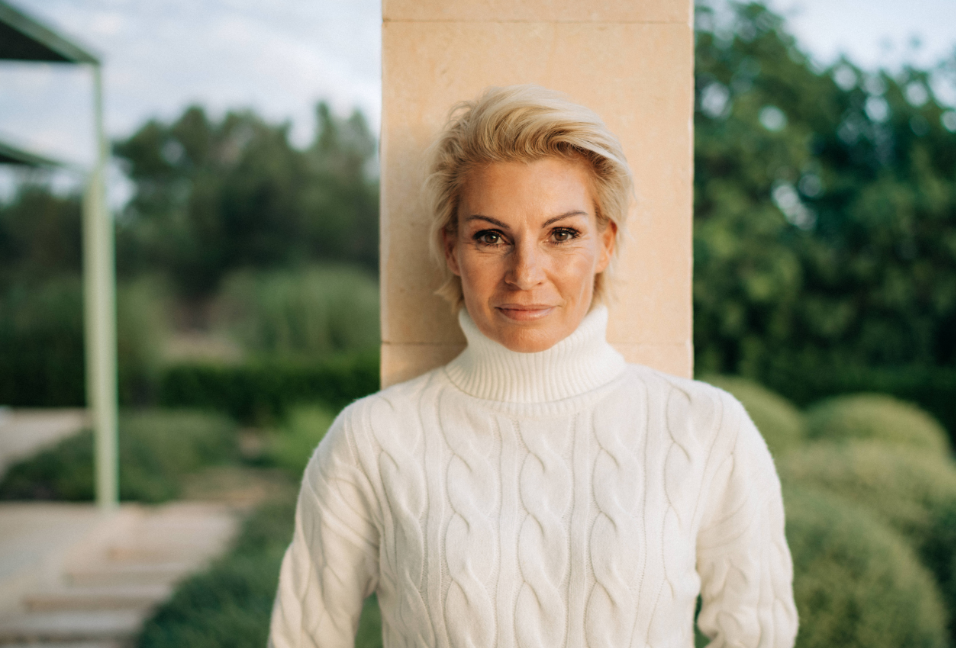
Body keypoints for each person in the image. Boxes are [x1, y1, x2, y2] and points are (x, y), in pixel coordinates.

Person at [268, 85, 797, 648]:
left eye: (562, 234)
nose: (526, 272)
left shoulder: (708, 429)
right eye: (491, 236)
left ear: (605, 243)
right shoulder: (370, 440)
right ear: (452, 249)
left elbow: (758, 635)